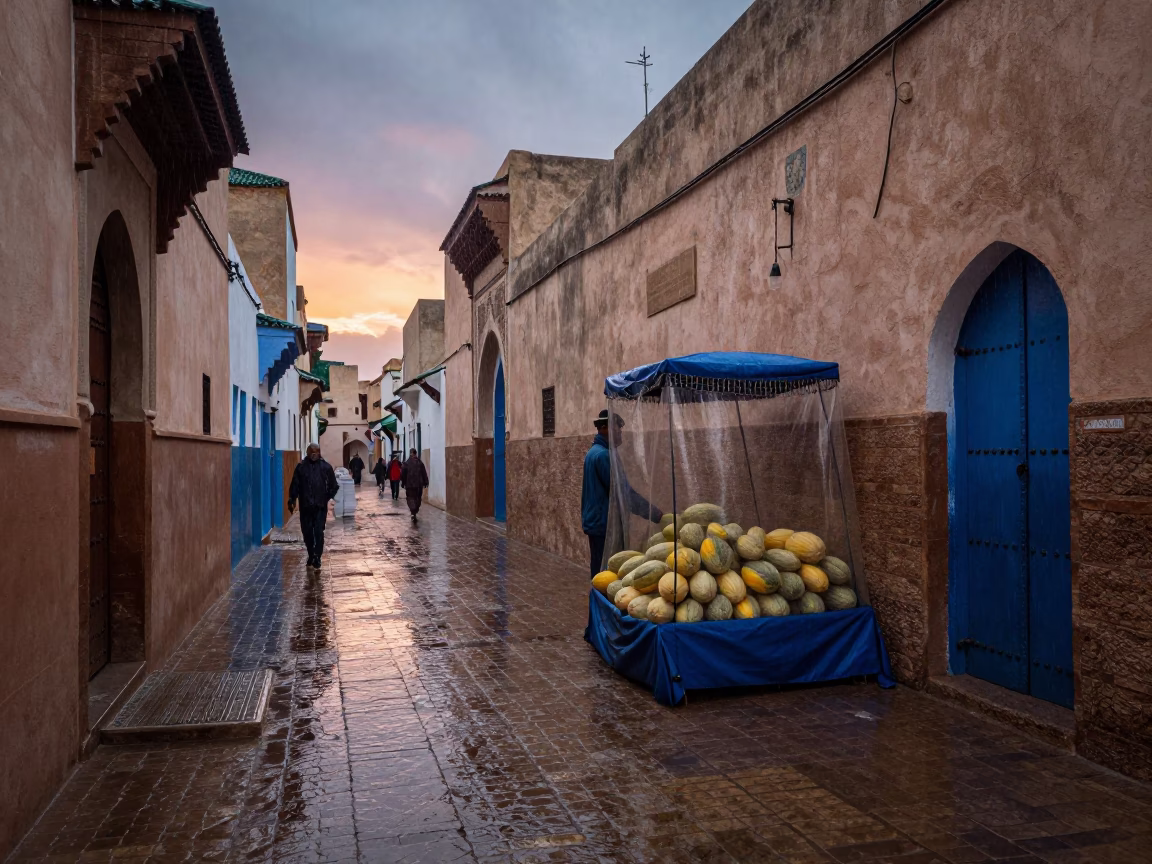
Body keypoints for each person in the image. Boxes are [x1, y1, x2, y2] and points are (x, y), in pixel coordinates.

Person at [582, 408, 663, 578]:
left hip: (596, 523)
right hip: (603, 525)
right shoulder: (603, 456)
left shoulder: (594, 452)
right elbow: (623, 493)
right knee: (605, 574)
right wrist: (654, 514)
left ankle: (596, 602)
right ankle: (599, 603)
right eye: (618, 429)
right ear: (605, 428)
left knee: (599, 571)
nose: (620, 433)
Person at [288, 443, 339, 570]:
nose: (314, 454)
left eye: (316, 451)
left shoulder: (326, 467)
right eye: (312, 451)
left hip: (320, 507)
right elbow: (295, 484)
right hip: (305, 507)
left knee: (318, 532)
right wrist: (292, 499)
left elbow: (334, 485)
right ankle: (311, 554)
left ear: (320, 452)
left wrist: (326, 497)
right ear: (308, 452)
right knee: (307, 533)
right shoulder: (301, 468)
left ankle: (317, 556)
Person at [400, 448, 429, 521]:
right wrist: (425, 482)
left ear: (410, 453)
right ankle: (414, 511)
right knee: (417, 498)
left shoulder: (406, 463)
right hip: (419, 485)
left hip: (410, 485)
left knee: (411, 498)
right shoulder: (420, 463)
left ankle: (413, 512)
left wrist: (403, 483)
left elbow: (403, 474)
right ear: (415, 453)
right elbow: (424, 473)